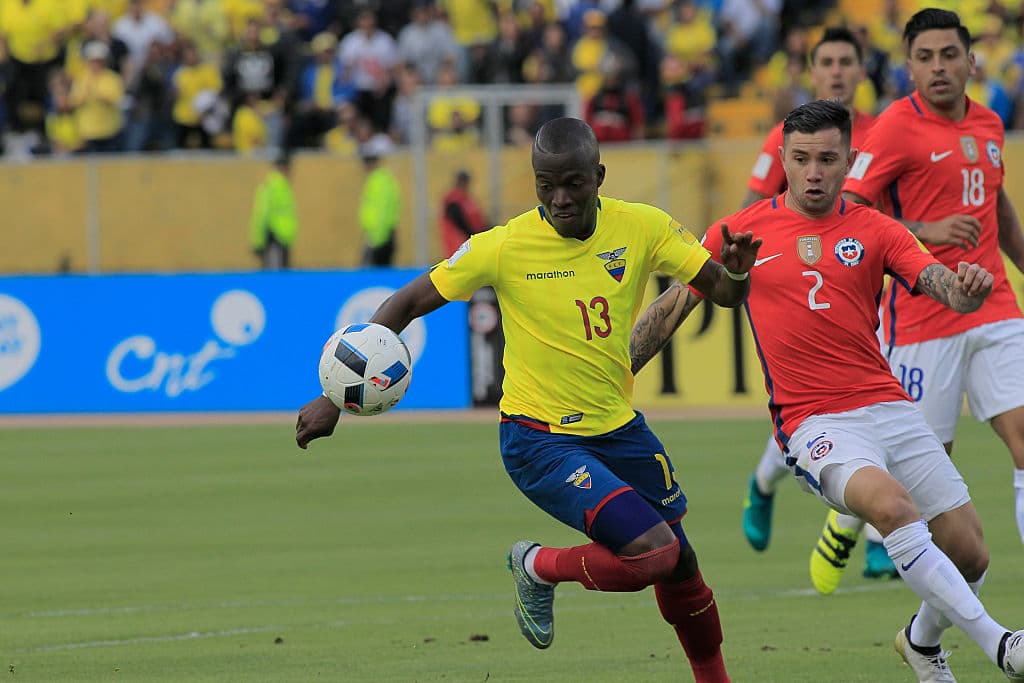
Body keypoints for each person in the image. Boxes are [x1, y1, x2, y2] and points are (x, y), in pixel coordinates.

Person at [296, 117, 763, 682]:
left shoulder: (643, 226)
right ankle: (537, 565)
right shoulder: (505, 245)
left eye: (573, 184)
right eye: (546, 186)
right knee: (654, 554)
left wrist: (736, 275)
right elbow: (407, 301)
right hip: (539, 440)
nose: (560, 199)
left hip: (618, 429)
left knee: (682, 566)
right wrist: (334, 398)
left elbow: (723, 292)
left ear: (599, 176)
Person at [630, 99, 1024, 682]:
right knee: (890, 508)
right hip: (815, 423)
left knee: (970, 554)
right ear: (784, 159)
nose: (813, 172)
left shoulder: (876, 229)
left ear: (850, 161)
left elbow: (941, 285)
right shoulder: (740, 233)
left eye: (827, 159)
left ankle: (921, 642)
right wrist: (616, 369)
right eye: (801, 158)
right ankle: (1002, 645)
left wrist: (966, 290)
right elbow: (671, 308)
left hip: (889, 405)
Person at [843, 7, 1024, 588]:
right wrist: (926, 228)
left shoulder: (990, 124)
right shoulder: (895, 127)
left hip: (995, 307)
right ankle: (927, 625)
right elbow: (849, 211)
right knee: (931, 480)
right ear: (909, 68)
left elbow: (998, 210)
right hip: (924, 324)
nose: (939, 67)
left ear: (971, 61)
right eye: (925, 57)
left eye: (949, 55)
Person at [738, 25, 896, 593]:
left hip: (880, 284)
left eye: (845, 62)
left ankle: (879, 541)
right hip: (811, 287)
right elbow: (750, 212)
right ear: (814, 71)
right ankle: (763, 482)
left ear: (860, 71)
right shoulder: (790, 137)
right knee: (821, 413)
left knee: (887, 416)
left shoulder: (885, 131)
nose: (836, 71)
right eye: (825, 61)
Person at [357, 136, 401, 267]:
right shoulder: (379, 179)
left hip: (381, 238)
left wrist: (376, 239)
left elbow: (382, 211)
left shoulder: (380, 181)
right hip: (379, 236)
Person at [249, 154, 298, 270]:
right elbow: (263, 214)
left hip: (282, 234)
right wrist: (259, 241)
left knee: (279, 270)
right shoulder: (273, 185)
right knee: (275, 271)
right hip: (274, 234)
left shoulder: (282, 185)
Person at [439, 170, 488, 257]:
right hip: (459, 243)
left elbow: (478, 220)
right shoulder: (454, 199)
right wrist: (473, 235)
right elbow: (457, 219)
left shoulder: (467, 198)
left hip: (469, 243)